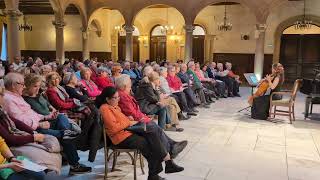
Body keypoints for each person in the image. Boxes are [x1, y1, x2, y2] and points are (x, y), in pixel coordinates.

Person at [98, 87, 184, 180]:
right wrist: (128, 122)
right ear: (107, 99)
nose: (118, 99)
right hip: (120, 138)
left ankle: (165, 165)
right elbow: (114, 128)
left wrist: (129, 120)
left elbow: (121, 121)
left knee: (152, 134)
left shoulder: (114, 106)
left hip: (127, 133)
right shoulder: (105, 109)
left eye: (118, 97)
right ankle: (164, 165)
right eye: (115, 98)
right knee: (150, 144)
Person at [114, 74, 188, 158]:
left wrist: (144, 118)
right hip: (132, 122)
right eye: (129, 84)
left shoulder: (124, 94)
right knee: (153, 126)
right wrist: (144, 118)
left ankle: (172, 145)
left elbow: (134, 111)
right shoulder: (123, 96)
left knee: (155, 125)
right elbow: (132, 113)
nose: (131, 85)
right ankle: (171, 147)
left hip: (135, 118)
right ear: (124, 86)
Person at [135, 67, 179, 131]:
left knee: (163, 106)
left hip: (146, 104)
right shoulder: (147, 86)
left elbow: (154, 98)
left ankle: (163, 127)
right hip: (144, 106)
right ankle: (162, 127)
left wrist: (157, 100)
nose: (159, 81)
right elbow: (154, 98)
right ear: (155, 80)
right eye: (158, 79)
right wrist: (156, 88)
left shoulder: (148, 84)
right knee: (162, 107)